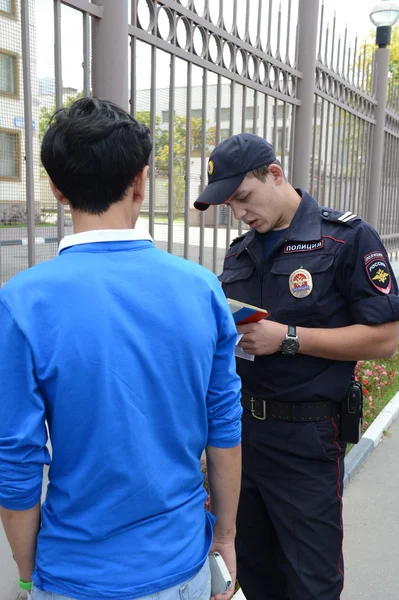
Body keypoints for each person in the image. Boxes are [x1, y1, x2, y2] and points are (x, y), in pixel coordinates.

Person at [0, 98, 242, 600]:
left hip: (77, 573)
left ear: (57, 189)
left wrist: (27, 572)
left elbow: (17, 458)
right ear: (140, 181)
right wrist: (224, 538)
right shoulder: (201, 288)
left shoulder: (23, 302)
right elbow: (223, 427)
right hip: (184, 564)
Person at [194, 133, 399, 600]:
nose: (240, 213)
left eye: (242, 197)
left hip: (306, 439)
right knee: (257, 571)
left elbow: (387, 338)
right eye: (229, 205)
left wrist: (287, 337)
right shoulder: (239, 249)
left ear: (275, 174)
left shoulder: (346, 238)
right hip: (243, 439)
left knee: (311, 580)